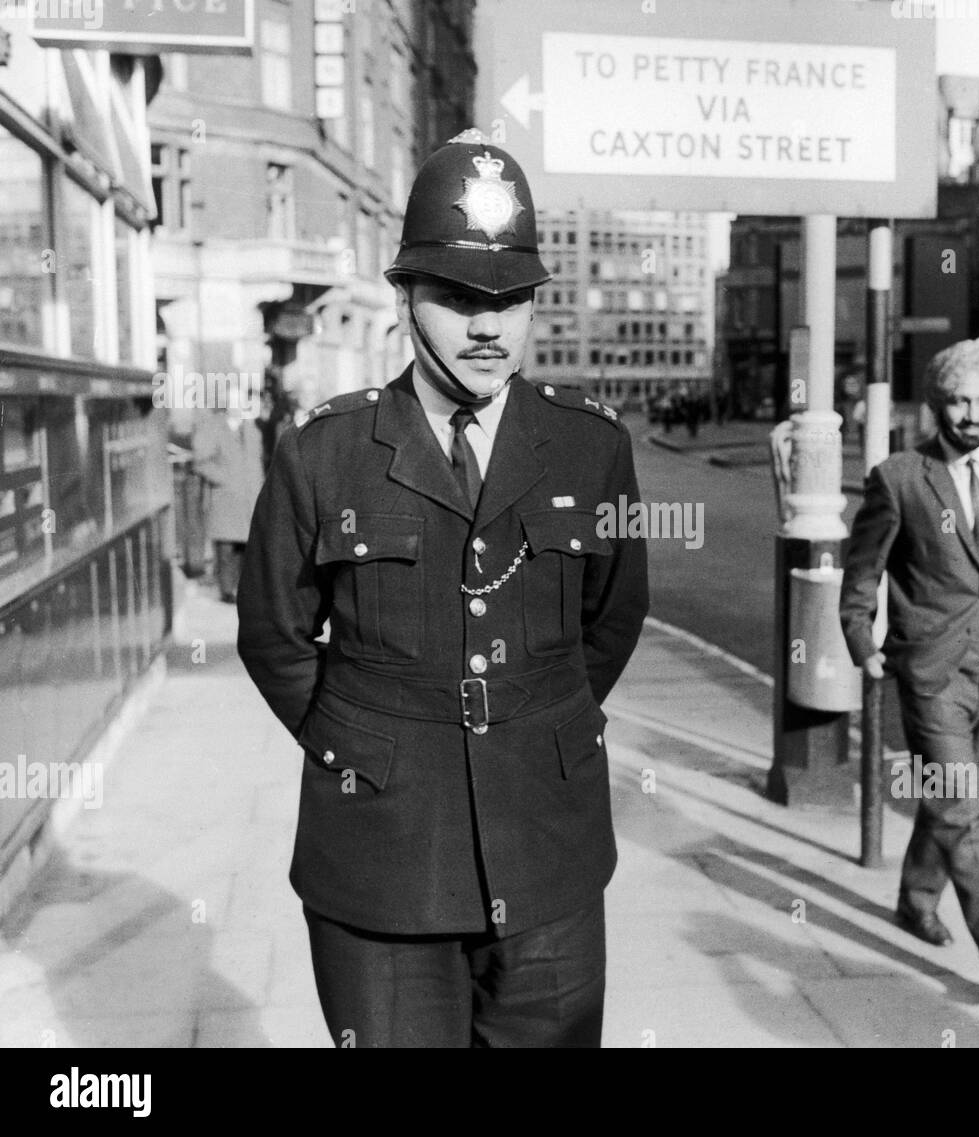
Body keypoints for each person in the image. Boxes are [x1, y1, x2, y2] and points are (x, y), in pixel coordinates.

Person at [236, 129, 649, 1048]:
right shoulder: (324, 451)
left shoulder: (591, 447)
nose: (490, 328)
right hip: (380, 865)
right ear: (406, 295)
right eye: (460, 299)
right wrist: (362, 746)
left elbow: (613, 617)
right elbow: (272, 633)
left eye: (513, 300)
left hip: (550, 855)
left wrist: (538, 723)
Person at [840, 338, 979, 1001]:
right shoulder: (899, 478)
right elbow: (863, 567)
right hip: (932, 666)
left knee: (952, 791)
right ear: (937, 406)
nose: (973, 412)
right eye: (959, 400)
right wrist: (859, 638)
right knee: (964, 800)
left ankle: (916, 896)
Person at [192, 401, 264, 602]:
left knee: (245, 546)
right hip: (225, 498)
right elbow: (200, 462)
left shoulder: (251, 430)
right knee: (225, 547)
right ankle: (226, 590)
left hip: (248, 498)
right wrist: (224, 478)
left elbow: (257, 462)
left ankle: (242, 588)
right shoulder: (213, 428)